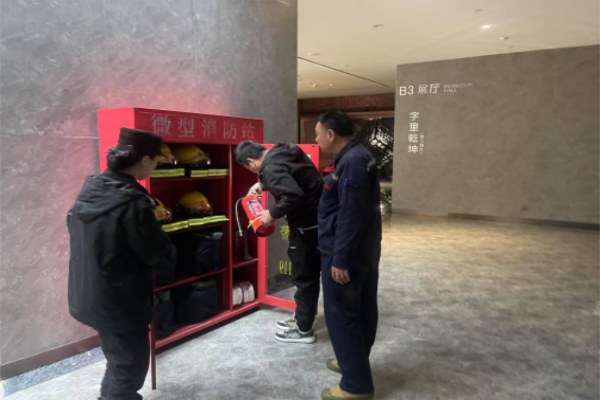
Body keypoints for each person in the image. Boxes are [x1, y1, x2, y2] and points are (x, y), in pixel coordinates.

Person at [67, 128, 175, 400]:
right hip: (120, 301)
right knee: (130, 367)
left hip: (89, 292)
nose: (155, 167)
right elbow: (155, 251)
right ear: (144, 160)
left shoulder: (93, 190)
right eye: (156, 161)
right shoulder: (133, 203)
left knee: (118, 360)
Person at [315, 112, 382, 400]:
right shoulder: (357, 156)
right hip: (362, 249)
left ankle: (356, 386)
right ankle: (353, 363)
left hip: (346, 253)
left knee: (343, 315)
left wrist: (340, 258)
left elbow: (350, 214)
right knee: (361, 308)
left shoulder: (352, 161)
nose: (316, 140)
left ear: (331, 134)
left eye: (318, 134)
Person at [235, 141, 323, 343]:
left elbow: (293, 195)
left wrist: (272, 213)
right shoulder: (285, 151)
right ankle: (302, 316)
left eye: (248, 168)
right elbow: (296, 177)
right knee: (306, 273)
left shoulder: (270, 168)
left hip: (306, 227)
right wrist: (263, 184)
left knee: (304, 275)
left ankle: (303, 329)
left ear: (250, 161)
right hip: (318, 221)